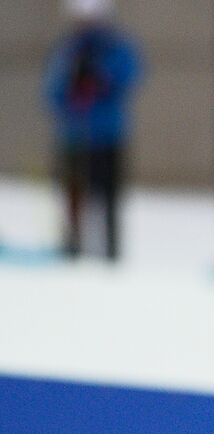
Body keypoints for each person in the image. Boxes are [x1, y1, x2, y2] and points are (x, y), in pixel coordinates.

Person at [43, 0, 142, 261]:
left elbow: (131, 73)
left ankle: (110, 250)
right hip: (75, 133)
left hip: (107, 134)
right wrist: (71, 89)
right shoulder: (68, 51)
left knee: (107, 195)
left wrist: (100, 78)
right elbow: (52, 92)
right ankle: (73, 246)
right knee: (73, 192)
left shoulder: (115, 48)